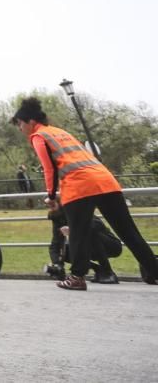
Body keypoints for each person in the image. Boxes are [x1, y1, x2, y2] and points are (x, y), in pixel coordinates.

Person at [12, 97, 158, 290]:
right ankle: (154, 272)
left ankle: (77, 278)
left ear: (31, 122)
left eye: (20, 124)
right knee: (129, 232)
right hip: (105, 181)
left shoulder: (38, 136)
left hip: (79, 186)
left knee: (77, 234)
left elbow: (49, 168)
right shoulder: (60, 132)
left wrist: (51, 194)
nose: (20, 129)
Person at [46, 209, 121, 284]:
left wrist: (73, 230)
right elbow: (55, 245)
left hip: (111, 245)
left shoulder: (78, 210)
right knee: (66, 252)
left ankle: (109, 273)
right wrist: (57, 265)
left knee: (91, 233)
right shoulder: (58, 220)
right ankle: (99, 270)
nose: (49, 207)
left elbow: (98, 225)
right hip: (90, 249)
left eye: (52, 204)